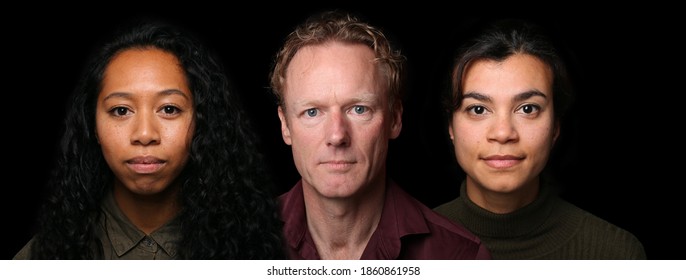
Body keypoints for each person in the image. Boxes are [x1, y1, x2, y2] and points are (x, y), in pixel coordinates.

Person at [14, 20, 286, 259]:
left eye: (169, 109)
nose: (145, 134)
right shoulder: (41, 259)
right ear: (93, 125)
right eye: (121, 110)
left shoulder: (259, 253)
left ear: (202, 123)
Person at [269, 10, 490, 260]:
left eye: (359, 109)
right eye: (312, 112)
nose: (337, 135)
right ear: (285, 125)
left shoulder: (459, 258)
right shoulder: (234, 243)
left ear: (395, 119)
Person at [433, 18, 646, 259]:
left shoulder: (615, 254)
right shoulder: (403, 251)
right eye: (478, 109)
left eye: (527, 109)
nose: (503, 134)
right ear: (451, 125)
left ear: (555, 125)